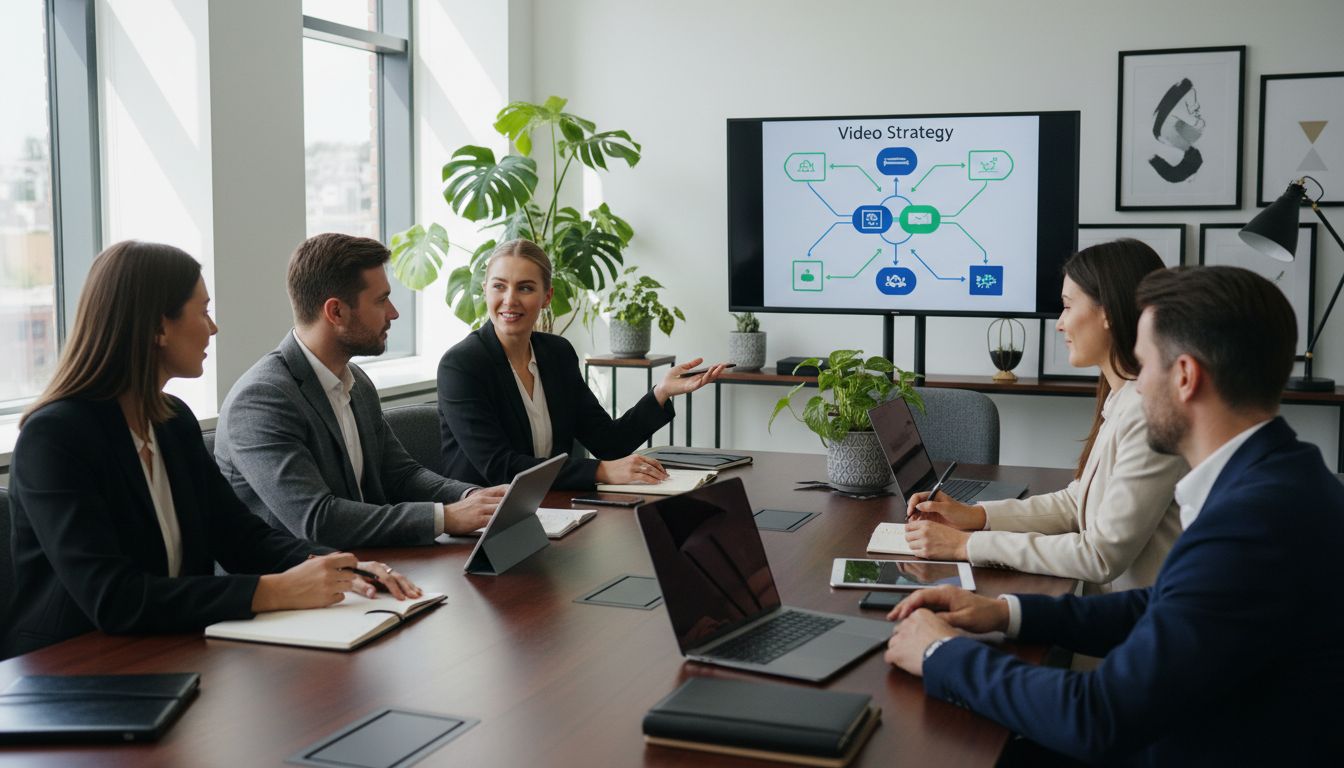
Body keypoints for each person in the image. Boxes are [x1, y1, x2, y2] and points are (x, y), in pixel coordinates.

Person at [884, 266, 1344, 763]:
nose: (1137, 388)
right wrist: (1006, 613)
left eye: (1144, 366)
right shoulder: (1283, 478)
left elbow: (1097, 717)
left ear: (1185, 377)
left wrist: (941, 654)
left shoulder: (1251, 527)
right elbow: (1166, 605)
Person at [3, 241, 419, 660]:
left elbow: (242, 538)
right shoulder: (54, 438)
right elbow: (114, 597)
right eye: (203, 312)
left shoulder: (172, 421)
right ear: (157, 327)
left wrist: (344, 567)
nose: (213, 328)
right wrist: (274, 591)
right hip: (69, 668)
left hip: (171, 647)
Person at [905, 240, 1185, 593]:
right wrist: (976, 516)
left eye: (1068, 307)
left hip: (1132, 629)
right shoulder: (1124, 400)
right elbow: (1076, 501)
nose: (1059, 324)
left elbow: (1099, 555)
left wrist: (965, 545)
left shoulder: (1148, 415)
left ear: (1108, 313)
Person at [215, 233, 506, 549]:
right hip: (296, 584)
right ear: (336, 312)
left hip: (368, 565)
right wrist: (445, 517)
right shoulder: (261, 399)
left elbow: (401, 476)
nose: (393, 313)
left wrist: (474, 498)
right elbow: (317, 520)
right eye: (381, 300)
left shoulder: (357, 381)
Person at [437, 239, 727, 489]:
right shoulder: (461, 365)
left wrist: (661, 392)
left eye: (525, 288)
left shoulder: (556, 354)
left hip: (552, 509)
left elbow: (608, 443)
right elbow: (500, 467)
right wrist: (600, 471)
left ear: (547, 297)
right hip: (482, 524)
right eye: (499, 286)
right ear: (486, 290)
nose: (509, 300)